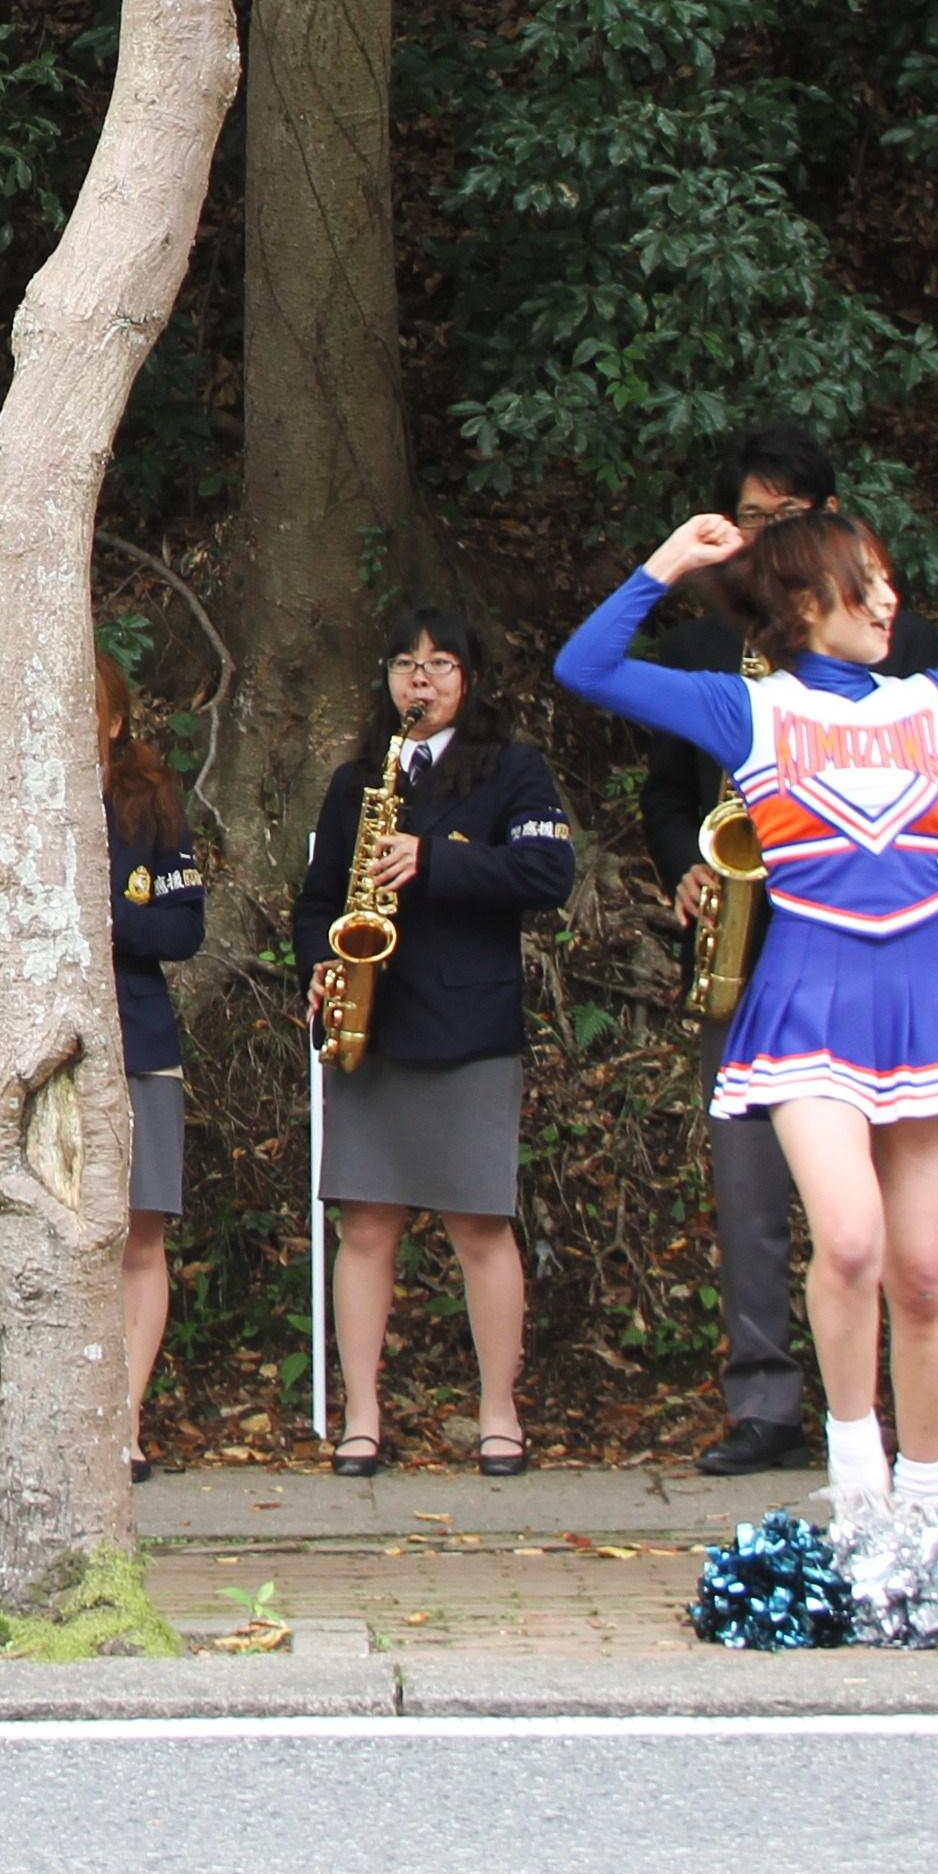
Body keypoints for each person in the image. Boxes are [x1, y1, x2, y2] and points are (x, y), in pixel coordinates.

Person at [560, 491, 938, 1509]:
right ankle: (856, 1474)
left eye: (886, 580)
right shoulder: (747, 709)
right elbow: (585, 669)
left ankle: (923, 1497)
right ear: (802, 604)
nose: (887, 600)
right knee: (854, 1241)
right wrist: (668, 560)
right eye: (863, 583)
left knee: (923, 1272)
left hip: (930, 1001)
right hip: (807, 1005)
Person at [631, 422, 938, 1478]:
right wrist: (685, 865)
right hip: (748, 946)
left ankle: (913, 1419)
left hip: (877, 951)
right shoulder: (702, 651)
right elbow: (666, 793)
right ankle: (765, 1401)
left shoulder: (898, 641)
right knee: (752, 1190)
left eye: (790, 516)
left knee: (901, 1217)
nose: (768, 534)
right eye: (752, 517)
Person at [291, 608, 574, 1476]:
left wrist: (435, 858)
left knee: (480, 1226)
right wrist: (320, 965)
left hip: (469, 1029)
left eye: (441, 663)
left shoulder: (513, 770)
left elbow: (548, 872)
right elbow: (317, 900)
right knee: (365, 1227)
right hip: (371, 1025)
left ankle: (498, 1413)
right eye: (406, 664)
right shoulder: (357, 781)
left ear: (470, 679)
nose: (421, 680)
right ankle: (362, 1417)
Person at [0, 652, 206, 1476]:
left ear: (114, 721)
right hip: (39, 1060)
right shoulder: (7, 804)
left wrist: (89, 919)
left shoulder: (152, 805)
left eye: (84, 706)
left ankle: (121, 1424)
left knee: (138, 1238)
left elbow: (184, 929)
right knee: (51, 1242)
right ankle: (55, 1422)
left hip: (138, 1045)